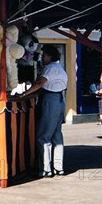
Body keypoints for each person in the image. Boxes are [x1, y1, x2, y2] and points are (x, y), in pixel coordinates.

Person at [22, 45, 68, 178]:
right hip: (60, 99)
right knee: (56, 135)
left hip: (50, 99)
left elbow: (39, 83)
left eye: (44, 55)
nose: (42, 58)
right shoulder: (60, 69)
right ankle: (59, 167)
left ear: (50, 56)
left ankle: (46, 169)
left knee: (43, 135)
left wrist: (25, 93)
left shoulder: (50, 68)